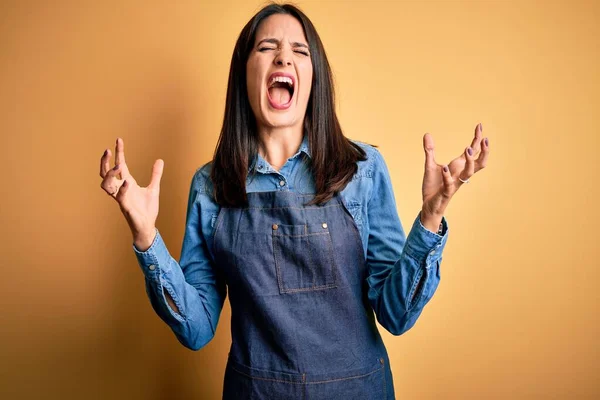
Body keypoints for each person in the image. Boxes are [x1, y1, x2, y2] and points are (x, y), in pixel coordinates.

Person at [99, 3, 489, 399]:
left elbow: (396, 314)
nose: (284, 55)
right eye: (267, 47)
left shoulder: (363, 169)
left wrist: (431, 216)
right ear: (244, 74)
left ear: (313, 77)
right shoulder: (211, 185)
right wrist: (147, 238)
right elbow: (197, 329)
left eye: (300, 51)